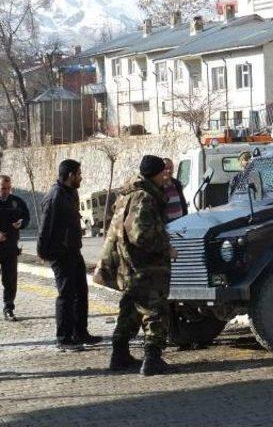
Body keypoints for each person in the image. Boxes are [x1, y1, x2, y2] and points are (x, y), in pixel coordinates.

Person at [107, 155, 176, 376]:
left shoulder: (127, 195)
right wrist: (166, 248)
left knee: (129, 309)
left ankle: (119, 355)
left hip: (128, 264)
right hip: (147, 266)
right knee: (155, 310)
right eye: (163, 172)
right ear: (156, 174)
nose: (166, 175)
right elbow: (141, 235)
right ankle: (152, 359)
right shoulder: (144, 197)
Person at [38, 160, 102, 350]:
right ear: (70, 175)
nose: (81, 177)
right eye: (79, 173)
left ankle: (80, 332)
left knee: (81, 291)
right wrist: (42, 251)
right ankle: (64, 338)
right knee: (66, 294)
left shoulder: (71, 192)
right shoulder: (55, 195)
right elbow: (45, 226)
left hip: (73, 250)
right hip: (59, 252)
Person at [0, 175, 30, 321]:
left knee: (10, 279)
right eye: (2, 188)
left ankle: (8, 307)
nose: (5, 191)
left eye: (7, 188)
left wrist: (21, 223)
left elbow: (26, 218)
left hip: (10, 248)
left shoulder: (17, 202)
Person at [162, 158, 188, 222]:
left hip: (180, 223)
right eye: (166, 168)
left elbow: (182, 203)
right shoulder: (158, 186)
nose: (169, 171)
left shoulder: (177, 184)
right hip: (166, 225)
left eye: (171, 168)